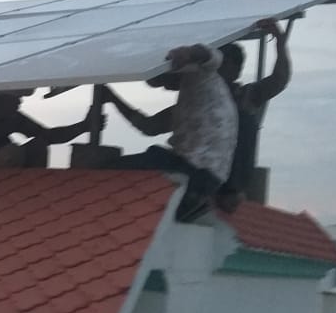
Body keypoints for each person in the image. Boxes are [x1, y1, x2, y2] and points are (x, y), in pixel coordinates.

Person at [100, 42, 237, 222]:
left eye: (163, 80)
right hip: (205, 174)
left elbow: (212, 56)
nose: (164, 87)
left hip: (197, 170)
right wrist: (112, 98)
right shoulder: (194, 99)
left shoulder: (203, 76)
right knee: (153, 156)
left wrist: (189, 53)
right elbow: (149, 126)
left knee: (107, 172)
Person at [215, 18, 292, 210]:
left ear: (235, 70)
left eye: (224, 64)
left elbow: (279, 79)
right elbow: (152, 125)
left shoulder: (246, 95)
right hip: (204, 179)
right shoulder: (199, 97)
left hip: (229, 186)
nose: (218, 70)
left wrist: (280, 41)